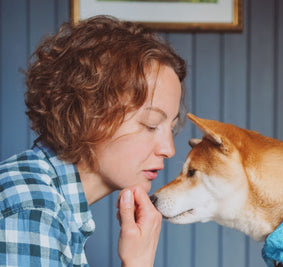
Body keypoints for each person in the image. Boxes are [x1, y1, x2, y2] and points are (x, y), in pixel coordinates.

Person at [0, 15, 187, 267]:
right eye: (151, 125)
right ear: (89, 114)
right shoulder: (34, 211)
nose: (169, 150)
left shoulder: (51, 204)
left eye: (172, 129)